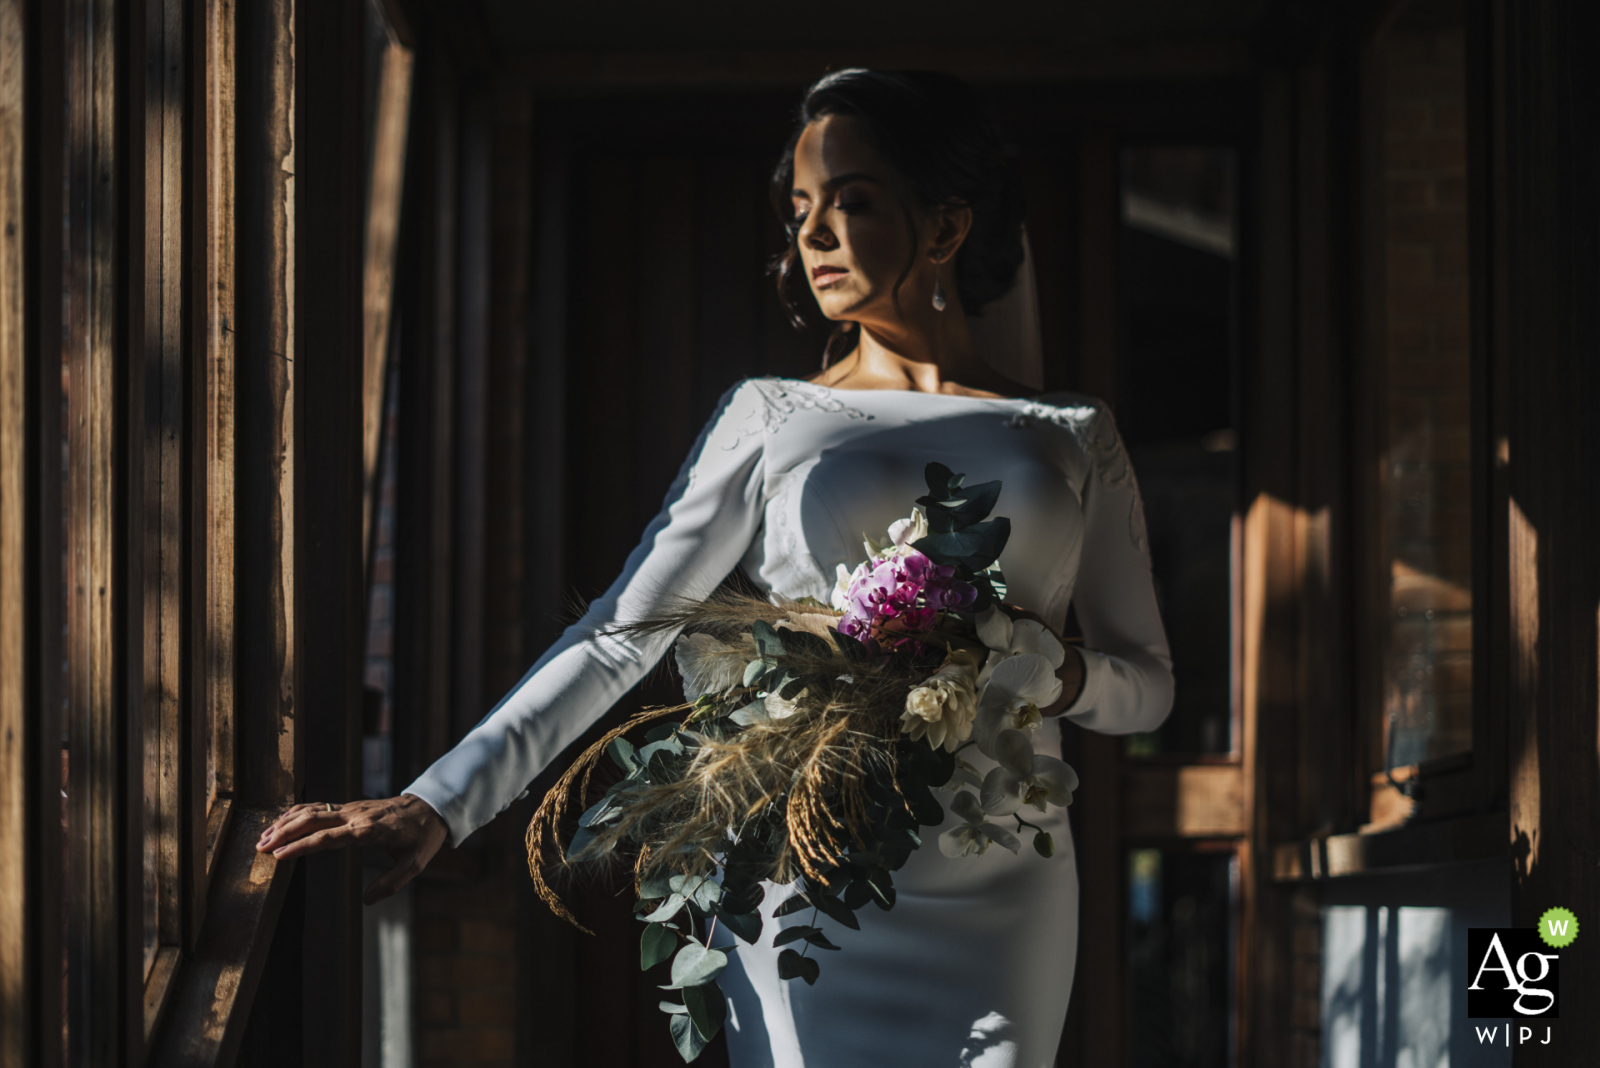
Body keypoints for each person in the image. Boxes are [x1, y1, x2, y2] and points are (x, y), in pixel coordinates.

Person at [258, 68, 1173, 1067]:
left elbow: (1150, 690)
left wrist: (1055, 670)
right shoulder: (771, 416)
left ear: (946, 225)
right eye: (800, 210)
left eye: (852, 202)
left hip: (1001, 880)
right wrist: (439, 801)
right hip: (803, 875)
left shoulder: (1074, 436)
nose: (813, 235)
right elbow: (619, 632)